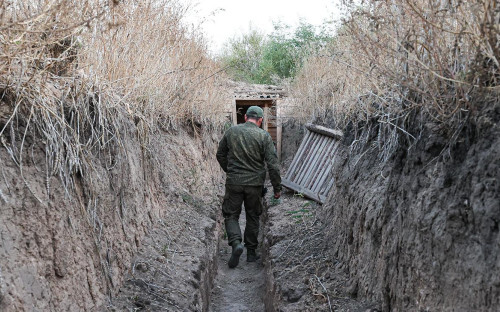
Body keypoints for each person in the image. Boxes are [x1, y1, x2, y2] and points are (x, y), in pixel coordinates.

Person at [216, 106, 281, 268]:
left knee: (231, 215)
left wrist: (229, 170)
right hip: (255, 185)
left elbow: (220, 154)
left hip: (234, 182)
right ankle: (251, 253)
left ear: (245, 117)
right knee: (252, 216)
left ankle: (236, 243)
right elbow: (273, 165)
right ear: (260, 121)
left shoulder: (231, 132)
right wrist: (277, 188)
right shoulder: (264, 136)